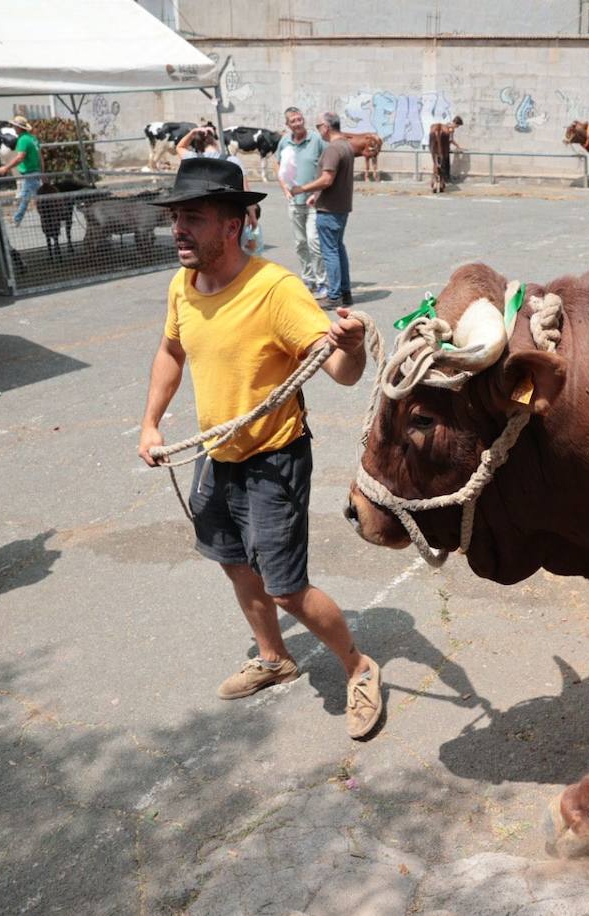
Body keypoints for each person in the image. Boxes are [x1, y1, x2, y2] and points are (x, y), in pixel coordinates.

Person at [137, 157, 383, 740]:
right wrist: (150, 424)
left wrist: (351, 345)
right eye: (175, 217)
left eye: (192, 217)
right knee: (232, 563)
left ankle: (358, 665)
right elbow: (172, 353)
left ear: (234, 224)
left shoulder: (274, 290)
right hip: (215, 456)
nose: (178, 229)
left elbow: (342, 372)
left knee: (285, 585)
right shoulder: (183, 285)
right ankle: (275, 658)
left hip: (273, 460)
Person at [288, 112, 353, 309]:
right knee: (338, 249)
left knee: (330, 251)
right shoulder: (346, 146)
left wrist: (302, 188)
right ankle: (345, 292)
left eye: (318, 126)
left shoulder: (333, 149)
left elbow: (327, 179)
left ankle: (334, 296)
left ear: (326, 127)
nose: (318, 130)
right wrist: (315, 196)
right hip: (340, 206)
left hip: (330, 209)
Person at [275, 107, 326, 296]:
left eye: (299, 119)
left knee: (314, 241)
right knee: (300, 243)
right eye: (293, 121)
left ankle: (322, 281)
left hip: (314, 201)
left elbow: (326, 164)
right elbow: (278, 165)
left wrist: (318, 192)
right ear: (287, 125)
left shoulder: (316, 140)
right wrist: (284, 189)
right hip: (294, 202)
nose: (298, 123)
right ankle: (308, 279)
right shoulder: (284, 142)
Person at [0, 115, 41, 226]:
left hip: (29, 173)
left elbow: (20, 157)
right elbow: (40, 156)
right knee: (26, 197)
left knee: (39, 199)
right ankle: (17, 219)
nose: (13, 128)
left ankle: (53, 217)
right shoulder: (33, 138)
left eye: (15, 126)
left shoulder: (22, 140)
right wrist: (42, 172)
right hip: (34, 172)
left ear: (19, 128)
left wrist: (6, 167)